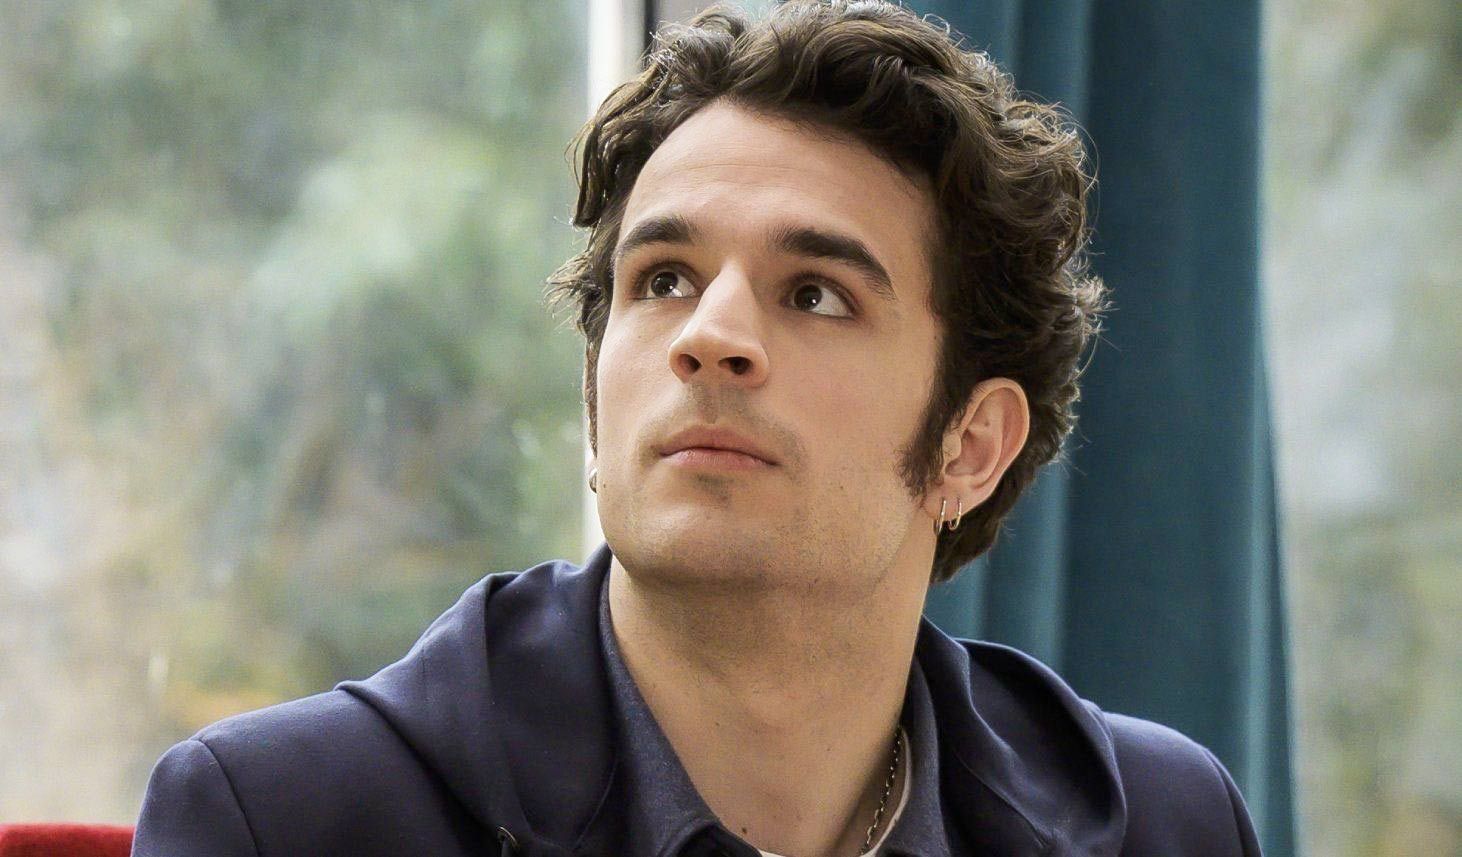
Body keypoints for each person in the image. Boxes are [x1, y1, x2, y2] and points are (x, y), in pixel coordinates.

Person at [132, 2, 1262, 855]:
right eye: (664, 279)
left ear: (969, 445)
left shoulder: (1161, 823)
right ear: (594, 393)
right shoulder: (284, 818)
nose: (709, 336)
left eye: (815, 293)